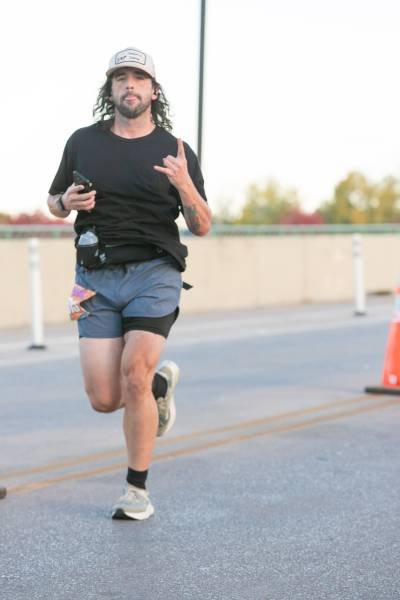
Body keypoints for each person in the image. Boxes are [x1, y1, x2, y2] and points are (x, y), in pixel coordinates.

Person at [47, 47, 211, 520]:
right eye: (121, 78)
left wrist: (184, 184)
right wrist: (66, 201)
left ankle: (136, 491)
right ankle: (158, 386)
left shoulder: (175, 151)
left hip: (154, 273)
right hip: (92, 278)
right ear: (111, 89)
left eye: (139, 78)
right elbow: (53, 203)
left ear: (154, 91)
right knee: (104, 398)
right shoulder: (83, 141)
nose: (130, 85)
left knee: (132, 375)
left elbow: (201, 225)